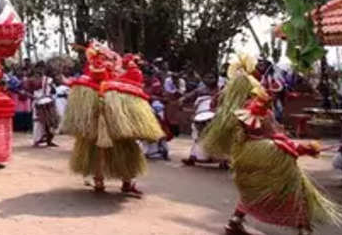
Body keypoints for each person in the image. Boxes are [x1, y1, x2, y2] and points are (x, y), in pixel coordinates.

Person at [224, 87, 342, 235]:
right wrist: (308, 148)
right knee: (297, 192)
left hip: (250, 165)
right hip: (273, 168)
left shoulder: (241, 132)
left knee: (253, 192)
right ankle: (305, 234)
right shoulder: (270, 136)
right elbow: (286, 145)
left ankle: (235, 220)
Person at [63, 44, 163, 195]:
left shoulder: (124, 74)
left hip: (118, 121)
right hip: (100, 121)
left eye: (107, 57)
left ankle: (124, 182)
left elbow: (134, 82)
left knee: (124, 148)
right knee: (98, 149)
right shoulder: (93, 75)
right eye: (102, 57)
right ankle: (101, 182)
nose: (105, 60)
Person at [181, 73, 227, 168]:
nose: (209, 79)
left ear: (216, 79)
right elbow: (187, 97)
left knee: (219, 136)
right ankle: (193, 157)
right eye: (206, 77)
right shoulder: (199, 90)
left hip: (217, 115)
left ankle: (223, 161)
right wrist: (182, 100)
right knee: (197, 135)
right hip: (201, 114)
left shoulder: (222, 91)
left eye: (211, 77)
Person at [32, 67, 59, 147]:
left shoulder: (35, 80)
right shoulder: (48, 80)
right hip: (43, 102)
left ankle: (41, 140)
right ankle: (45, 140)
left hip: (42, 102)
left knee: (46, 123)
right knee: (48, 123)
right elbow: (54, 90)